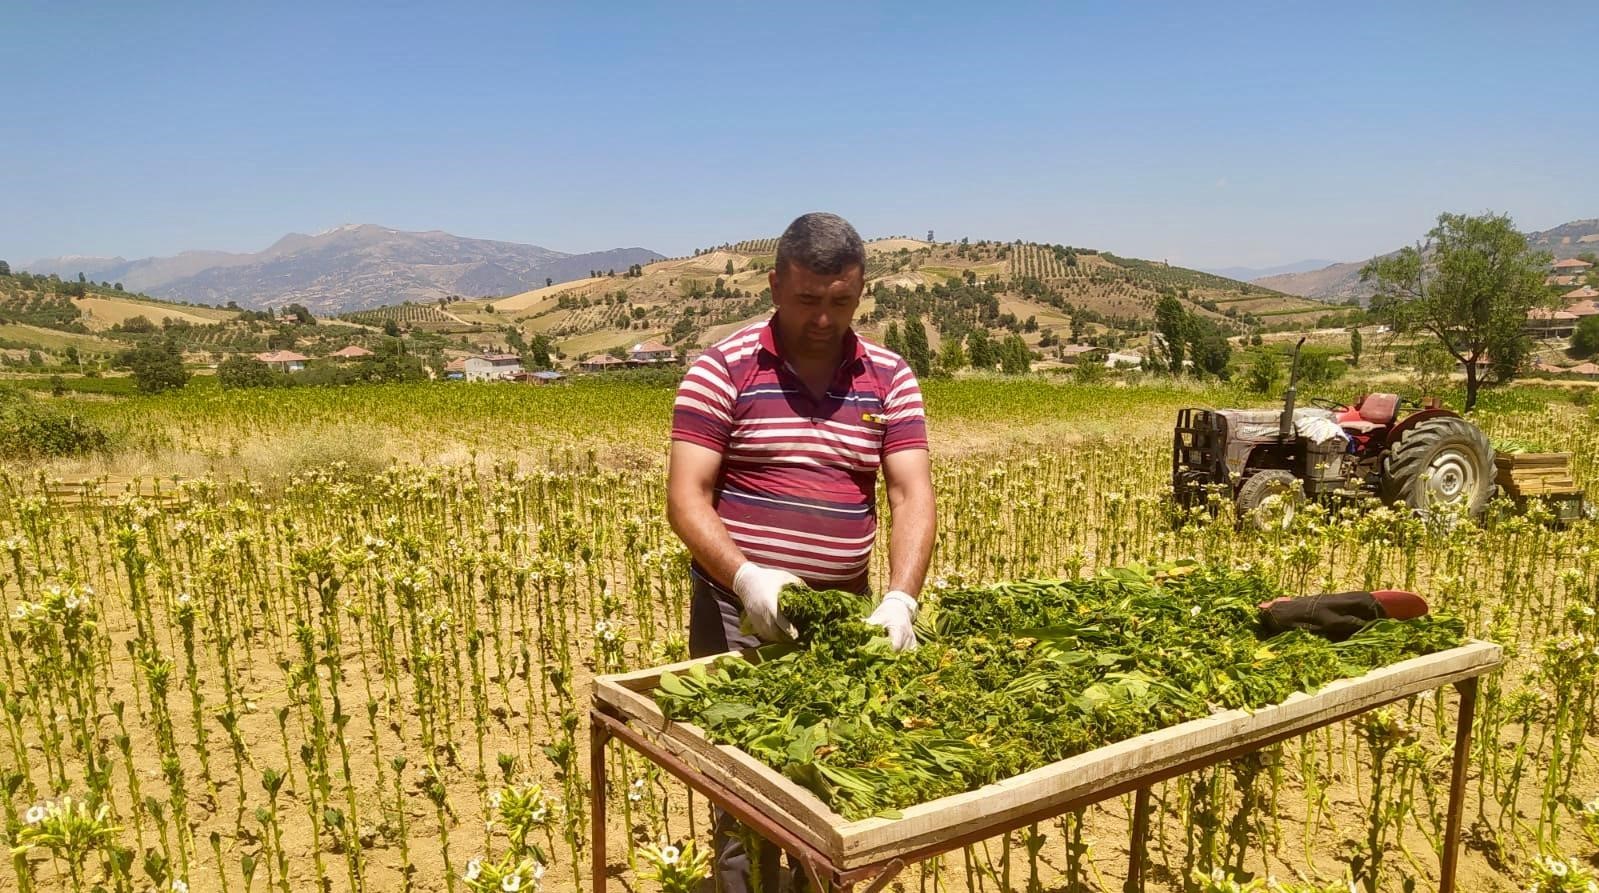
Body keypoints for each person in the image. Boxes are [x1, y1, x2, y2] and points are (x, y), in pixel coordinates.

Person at [666, 212, 937, 891]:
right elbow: (687, 497)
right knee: (743, 781)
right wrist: (745, 575)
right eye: (808, 300)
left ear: (861, 290)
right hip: (738, 612)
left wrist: (901, 597)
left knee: (832, 774)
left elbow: (910, 493)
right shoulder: (720, 369)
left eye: (841, 301)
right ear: (774, 285)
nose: (823, 317)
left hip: (842, 615)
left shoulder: (889, 376)